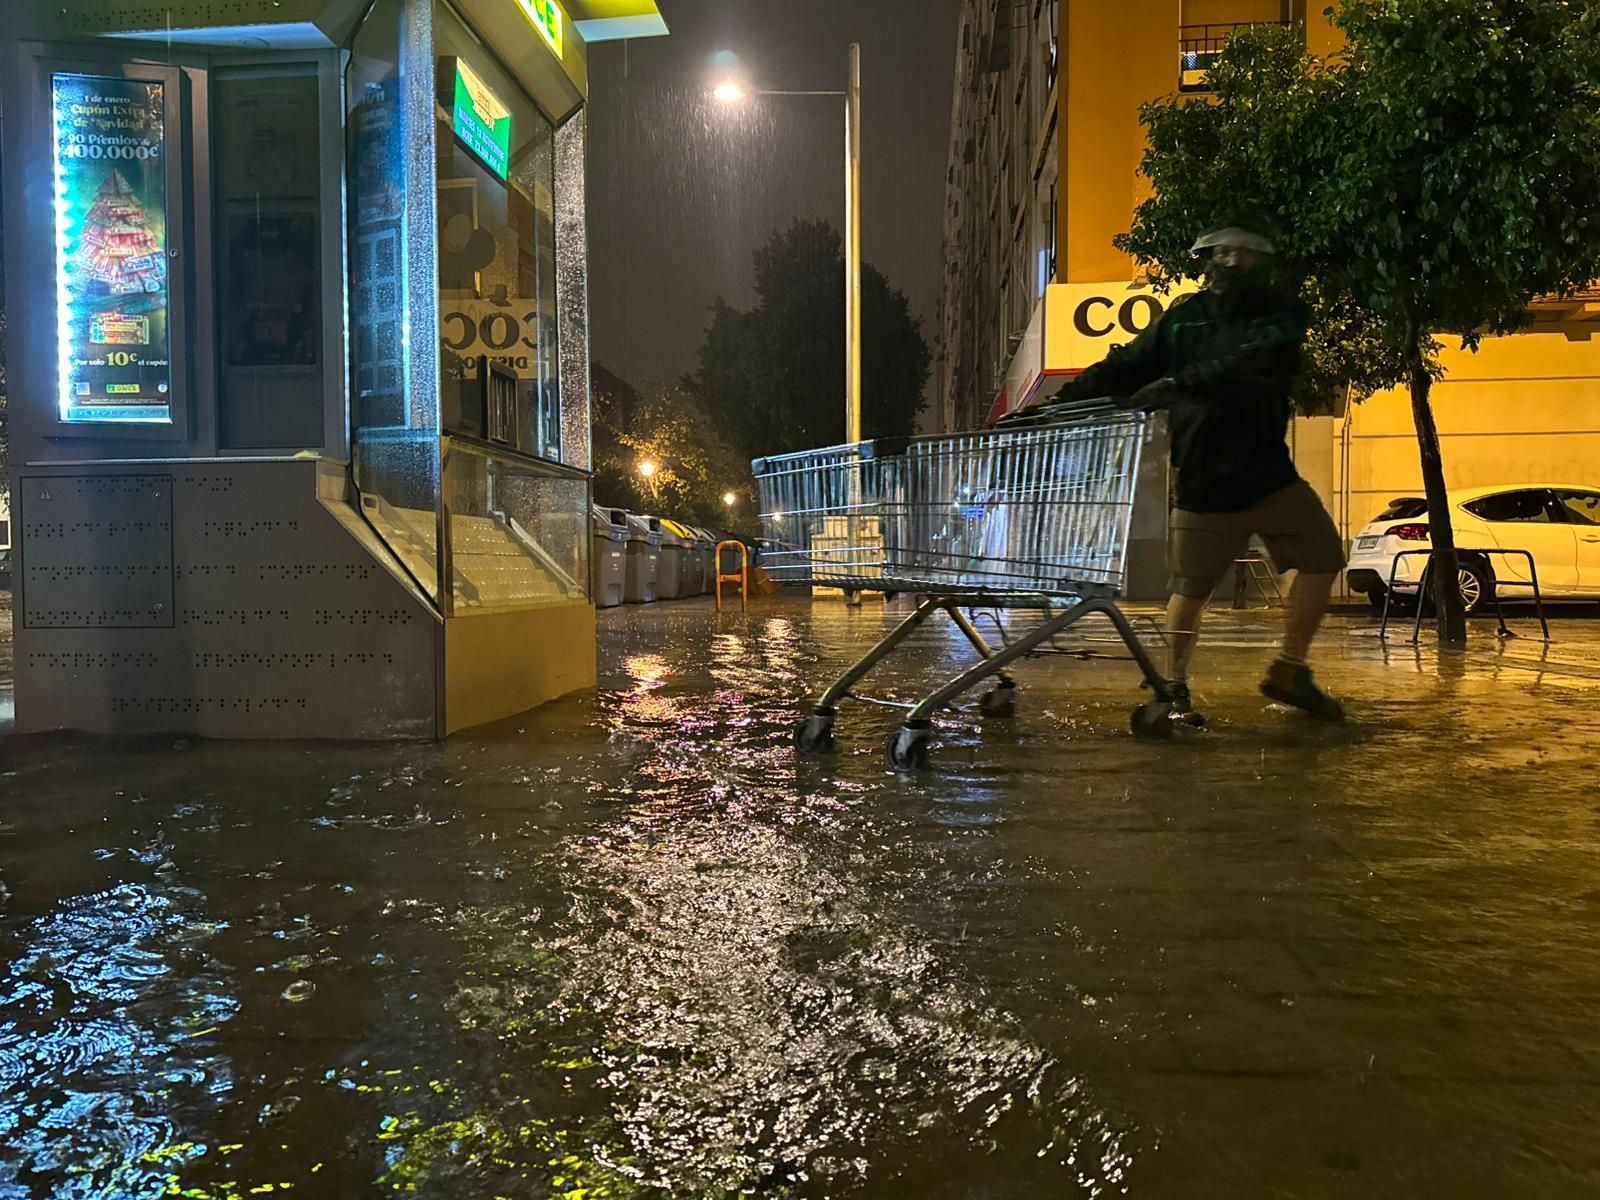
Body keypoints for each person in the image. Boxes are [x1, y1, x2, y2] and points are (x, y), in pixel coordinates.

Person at [1047, 225, 1346, 720]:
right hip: (1214, 478)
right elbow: (1127, 364)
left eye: (1245, 253)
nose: (1232, 262)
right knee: (1190, 589)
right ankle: (1175, 684)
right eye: (1223, 253)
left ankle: (1280, 670)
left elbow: (1250, 363)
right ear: (1207, 259)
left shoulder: (1279, 315)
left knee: (1320, 556)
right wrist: (1063, 402)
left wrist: (1175, 384)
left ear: (1263, 260)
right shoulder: (1184, 320)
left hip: (1261, 476)